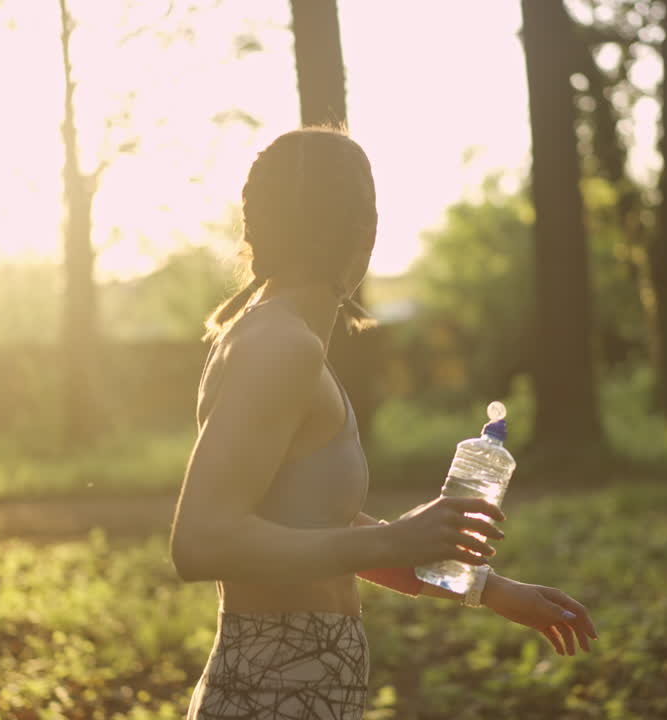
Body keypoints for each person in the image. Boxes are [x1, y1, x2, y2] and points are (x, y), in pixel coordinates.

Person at [169, 127, 598, 720]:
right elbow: (201, 541)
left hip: (296, 692)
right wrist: (396, 538)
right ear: (366, 231)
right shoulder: (279, 345)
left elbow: (321, 528)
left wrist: (488, 589)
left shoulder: (282, 339)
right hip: (270, 695)